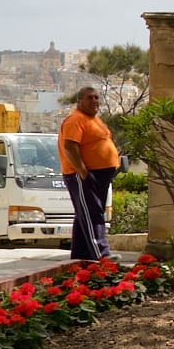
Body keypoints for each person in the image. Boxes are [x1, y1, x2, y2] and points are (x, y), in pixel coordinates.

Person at [58, 86, 120, 261]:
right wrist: (83, 171)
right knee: (92, 214)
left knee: (84, 214)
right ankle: (102, 254)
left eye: (96, 98)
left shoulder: (94, 120)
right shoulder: (75, 120)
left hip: (99, 175)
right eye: (89, 98)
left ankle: (80, 255)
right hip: (83, 175)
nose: (94, 101)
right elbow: (69, 146)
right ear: (79, 101)